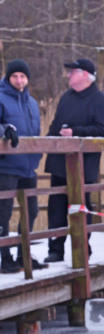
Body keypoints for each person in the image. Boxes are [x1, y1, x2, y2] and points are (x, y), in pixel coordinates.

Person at [43, 57, 104, 263]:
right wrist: (45, 143)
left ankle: (82, 246)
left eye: (72, 72)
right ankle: (55, 250)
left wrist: (76, 132)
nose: (68, 75)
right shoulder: (66, 97)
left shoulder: (100, 101)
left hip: (83, 165)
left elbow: (102, 130)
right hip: (59, 163)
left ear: (85, 75)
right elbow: (55, 125)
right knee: (55, 208)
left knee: (80, 208)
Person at [0, 59, 46, 273]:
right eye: (15, 76)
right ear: (8, 78)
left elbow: (35, 131)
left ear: (28, 79)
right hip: (6, 166)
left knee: (31, 211)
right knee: (4, 212)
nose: (19, 80)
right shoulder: (1, 98)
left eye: (23, 76)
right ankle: (5, 257)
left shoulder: (32, 103)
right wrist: (5, 129)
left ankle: (23, 254)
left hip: (28, 165)